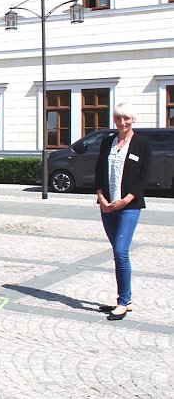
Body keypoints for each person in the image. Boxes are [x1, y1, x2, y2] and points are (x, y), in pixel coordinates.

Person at [94, 102, 151, 321]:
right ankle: (125, 297)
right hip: (107, 207)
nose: (122, 122)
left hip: (129, 207)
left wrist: (124, 200)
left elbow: (143, 178)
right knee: (118, 255)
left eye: (126, 118)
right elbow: (99, 171)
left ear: (133, 119)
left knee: (121, 251)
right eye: (118, 118)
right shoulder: (108, 142)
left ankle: (123, 302)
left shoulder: (142, 144)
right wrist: (101, 198)